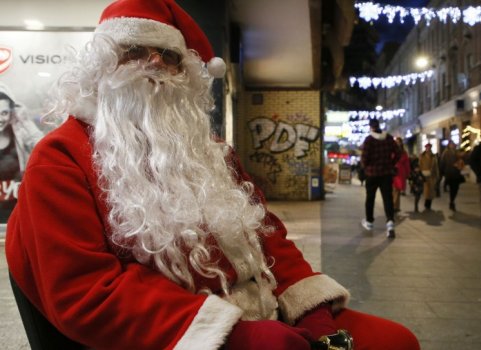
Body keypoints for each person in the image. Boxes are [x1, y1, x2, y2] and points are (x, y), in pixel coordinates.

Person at [5, 1, 420, 349]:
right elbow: (85, 292)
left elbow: (268, 238)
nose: (153, 65)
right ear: (102, 67)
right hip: (178, 337)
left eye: (169, 57)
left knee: (396, 340)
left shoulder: (211, 152)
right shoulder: (60, 158)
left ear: (186, 76)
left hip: (266, 314)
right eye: (134, 51)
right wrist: (238, 335)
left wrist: (313, 314)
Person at [0, 84, 44, 221]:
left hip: (17, 212)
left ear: (12, 113)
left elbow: (43, 150)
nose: (0, 118)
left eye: (4, 113)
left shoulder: (19, 133)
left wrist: (25, 121)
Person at [360, 118, 401, 238]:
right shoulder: (388, 138)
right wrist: (391, 163)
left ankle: (369, 222)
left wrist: (366, 167)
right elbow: (398, 153)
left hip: (372, 174)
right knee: (387, 199)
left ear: (370, 127)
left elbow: (364, 157)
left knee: (370, 198)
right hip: (386, 174)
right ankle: (390, 223)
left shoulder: (369, 140)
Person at [392, 137, 410, 213]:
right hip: (393, 172)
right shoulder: (392, 151)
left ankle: (396, 206)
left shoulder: (404, 152)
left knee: (397, 190)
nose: (397, 143)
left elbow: (406, 163)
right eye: (396, 142)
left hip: (400, 172)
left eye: (399, 142)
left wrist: (408, 173)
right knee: (394, 189)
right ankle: (394, 206)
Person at [418, 143, 438, 210]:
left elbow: (436, 167)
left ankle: (429, 204)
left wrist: (437, 175)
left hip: (431, 175)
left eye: (429, 147)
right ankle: (426, 204)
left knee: (431, 191)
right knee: (426, 191)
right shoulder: (422, 156)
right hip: (424, 175)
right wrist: (420, 173)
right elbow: (419, 165)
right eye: (427, 147)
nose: (428, 149)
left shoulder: (433, 157)